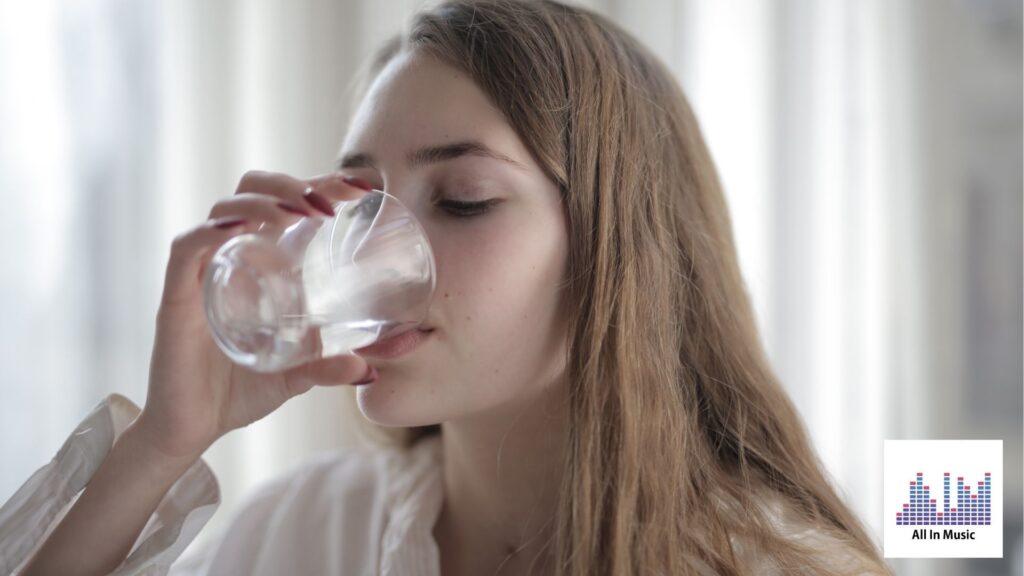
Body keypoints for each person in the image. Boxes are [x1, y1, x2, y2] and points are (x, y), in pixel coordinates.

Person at [1, 0, 893, 574]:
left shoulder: (778, 566)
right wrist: (162, 442)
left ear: (621, 251)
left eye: (462, 200)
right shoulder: (309, 531)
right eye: (360, 202)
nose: (374, 257)